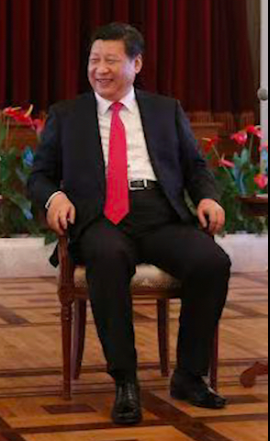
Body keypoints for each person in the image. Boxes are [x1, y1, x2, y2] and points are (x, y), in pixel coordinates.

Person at [28, 22, 231, 425]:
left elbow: (195, 166)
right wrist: (55, 198)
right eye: (94, 60)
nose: (100, 69)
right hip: (98, 217)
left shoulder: (165, 110)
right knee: (107, 258)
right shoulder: (67, 115)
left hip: (159, 214)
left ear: (136, 64)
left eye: (111, 60)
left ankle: (189, 376)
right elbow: (40, 177)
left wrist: (208, 197)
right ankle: (125, 381)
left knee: (212, 263)